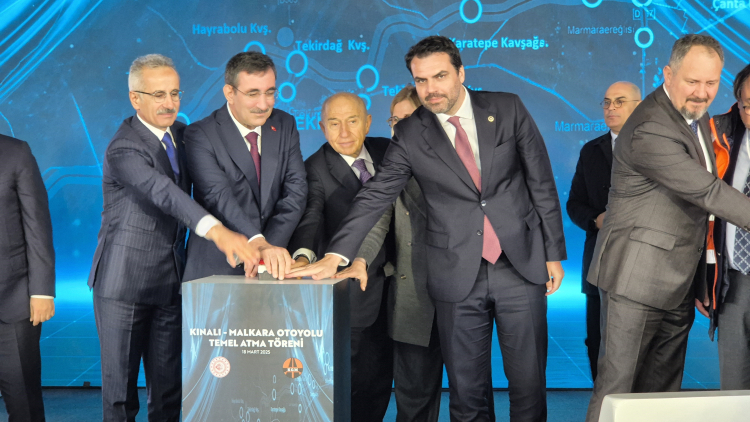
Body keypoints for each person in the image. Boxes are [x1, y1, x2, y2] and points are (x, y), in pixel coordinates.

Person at [292, 35, 566, 422]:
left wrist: (553, 252)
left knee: (528, 385)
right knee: (467, 393)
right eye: (421, 80)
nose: (431, 88)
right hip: (455, 274)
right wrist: (338, 254)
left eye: (439, 76)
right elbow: (376, 196)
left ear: (461, 73)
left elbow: (541, 181)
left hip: (518, 264)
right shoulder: (411, 132)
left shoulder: (507, 108)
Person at [585, 35, 750, 422]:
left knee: (660, 398)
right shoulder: (650, 125)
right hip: (635, 281)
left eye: (711, 83)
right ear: (668, 74)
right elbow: (707, 192)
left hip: (677, 282)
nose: (702, 92)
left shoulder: (696, 117)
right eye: (692, 81)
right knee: (617, 391)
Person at [88, 54, 256, 422]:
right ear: (135, 98)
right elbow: (165, 193)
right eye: (159, 94)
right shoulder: (124, 147)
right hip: (124, 285)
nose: (170, 103)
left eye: (175, 93)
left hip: (170, 283)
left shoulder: (182, 133)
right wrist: (219, 232)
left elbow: (212, 185)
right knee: (120, 398)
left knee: (167, 393)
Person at [288, 92, 394, 422]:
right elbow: (311, 218)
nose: (344, 132)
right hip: (355, 290)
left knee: (385, 377)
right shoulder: (315, 168)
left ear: (368, 122)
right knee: (356, 379)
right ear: (322, 127)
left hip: (401, 287)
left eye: (352, 121)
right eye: (334, 124)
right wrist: (303, 258)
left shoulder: (388, 151)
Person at [183, 51, 307, 281]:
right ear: (229, 93)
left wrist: (267, 251)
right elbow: (218, 196)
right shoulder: (200, 134)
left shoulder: (284, 124)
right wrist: (257, 243)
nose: (263, 104)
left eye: (270, 92)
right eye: (253, 93)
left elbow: (296, 192)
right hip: (217, 270)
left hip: (273, 265)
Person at [566, 81, 641, 381]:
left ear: (638, 106)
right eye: (607, 102)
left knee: (638, 345)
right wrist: (596, 219)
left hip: (642, 260)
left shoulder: (654, 147)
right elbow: (574, 204)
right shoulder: (591, 151)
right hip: (599, 259)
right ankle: (603, 401)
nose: (611, 108)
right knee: (598, 342)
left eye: (620, 101)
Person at [0, 135, 55, 422]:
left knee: (24, 403)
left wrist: (42, 291)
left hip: (11, 299)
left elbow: (37, 224)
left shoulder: (15, 152)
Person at [707, 63, 750, 390]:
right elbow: (705, 217)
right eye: (748, 105)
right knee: (734, 387)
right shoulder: (721, 140)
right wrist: (705, 281)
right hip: (733, 283)